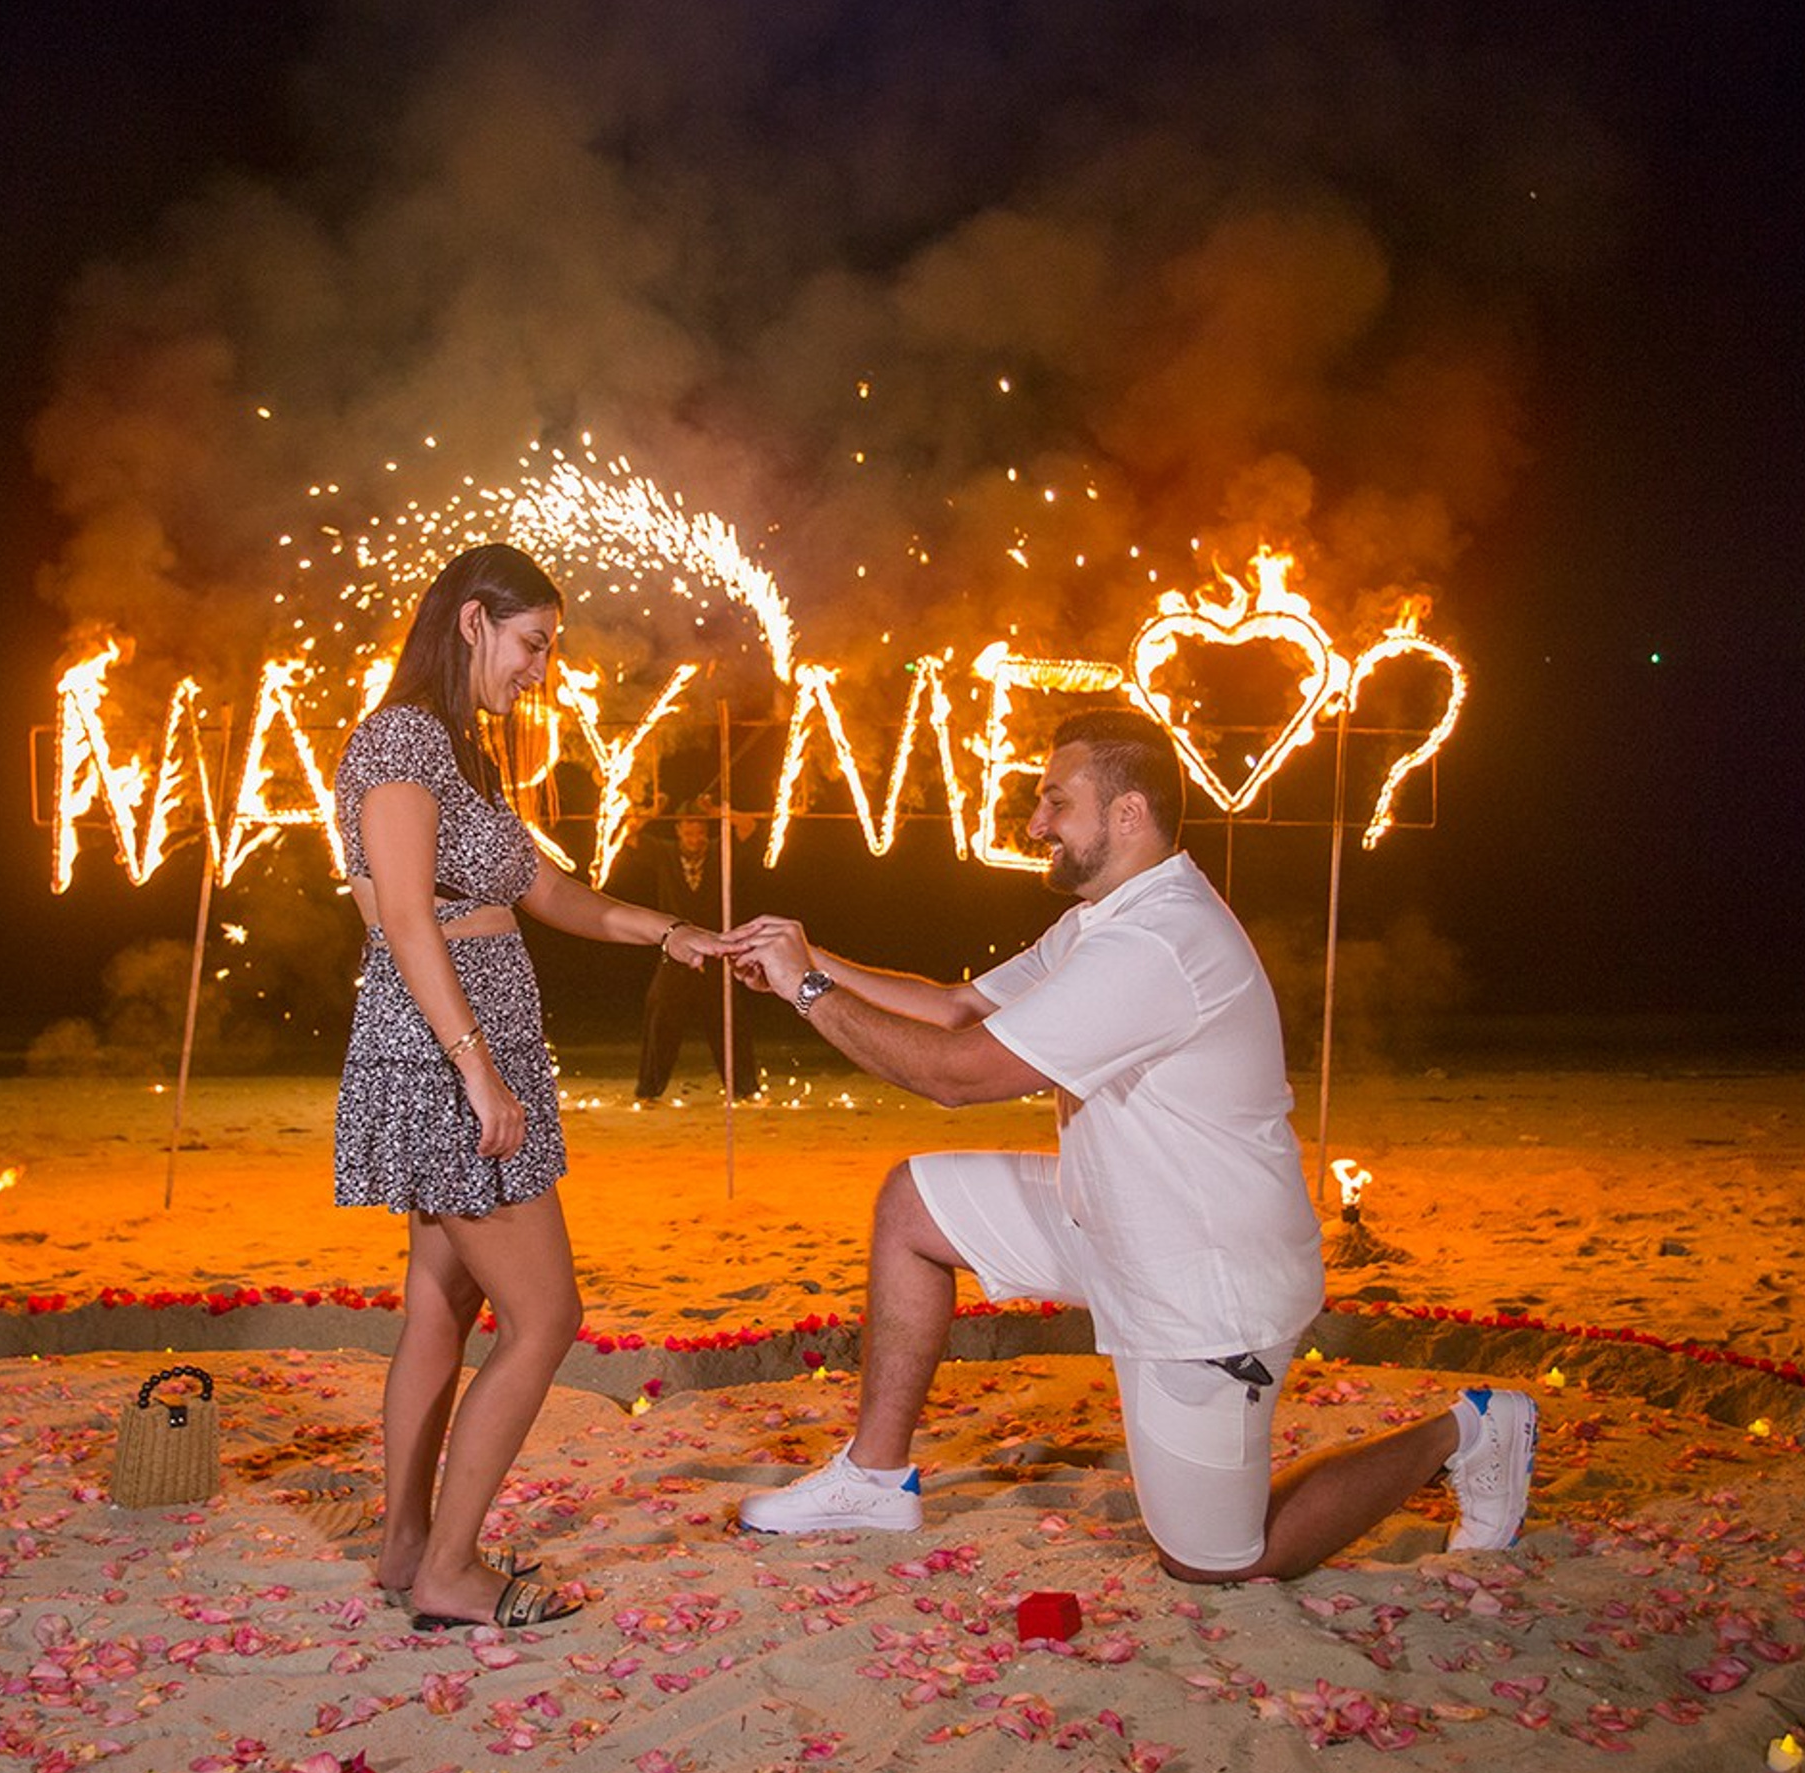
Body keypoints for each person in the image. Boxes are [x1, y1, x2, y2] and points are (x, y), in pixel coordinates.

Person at [725, 708, 1536, 1581]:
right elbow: (959, 1006)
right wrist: (803, 957)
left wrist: (806, 990)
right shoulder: (1105, 918)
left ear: (1127, 815)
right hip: (1112, 1217)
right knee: (915, 1204)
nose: (1035, 824)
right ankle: (877, 1479)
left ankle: (1474, 1429)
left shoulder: (1158, 941)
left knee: (1222, 1561)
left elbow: (958, 1075)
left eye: (1054, 802)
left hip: (1205, 1276)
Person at [333, 543, 729, 1631]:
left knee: (440, 1303)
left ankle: (408, 1545)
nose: (541, 669)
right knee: (547, 1314)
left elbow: (549, 889)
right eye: (533, 644)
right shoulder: (404, 739)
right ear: (473, 623)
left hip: (461, 1041)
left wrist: (672, 930)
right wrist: (479, 1072)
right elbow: (408, 916)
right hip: (446, 1049)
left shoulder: (459, 760)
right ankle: (453, 1570)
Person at [632, 806, 760, 1101]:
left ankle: (745, 1089)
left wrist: (719, 811)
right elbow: (628, 835)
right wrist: (653, 811)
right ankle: (648, 1091)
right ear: (678, 831)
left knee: (728, 1021)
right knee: (660, 1015)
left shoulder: (718, 852)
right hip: (675, 948)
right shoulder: (664, 853)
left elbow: (749, 826)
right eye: (689, 832)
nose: (695, 838)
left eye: (700, 832)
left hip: (715, 949)